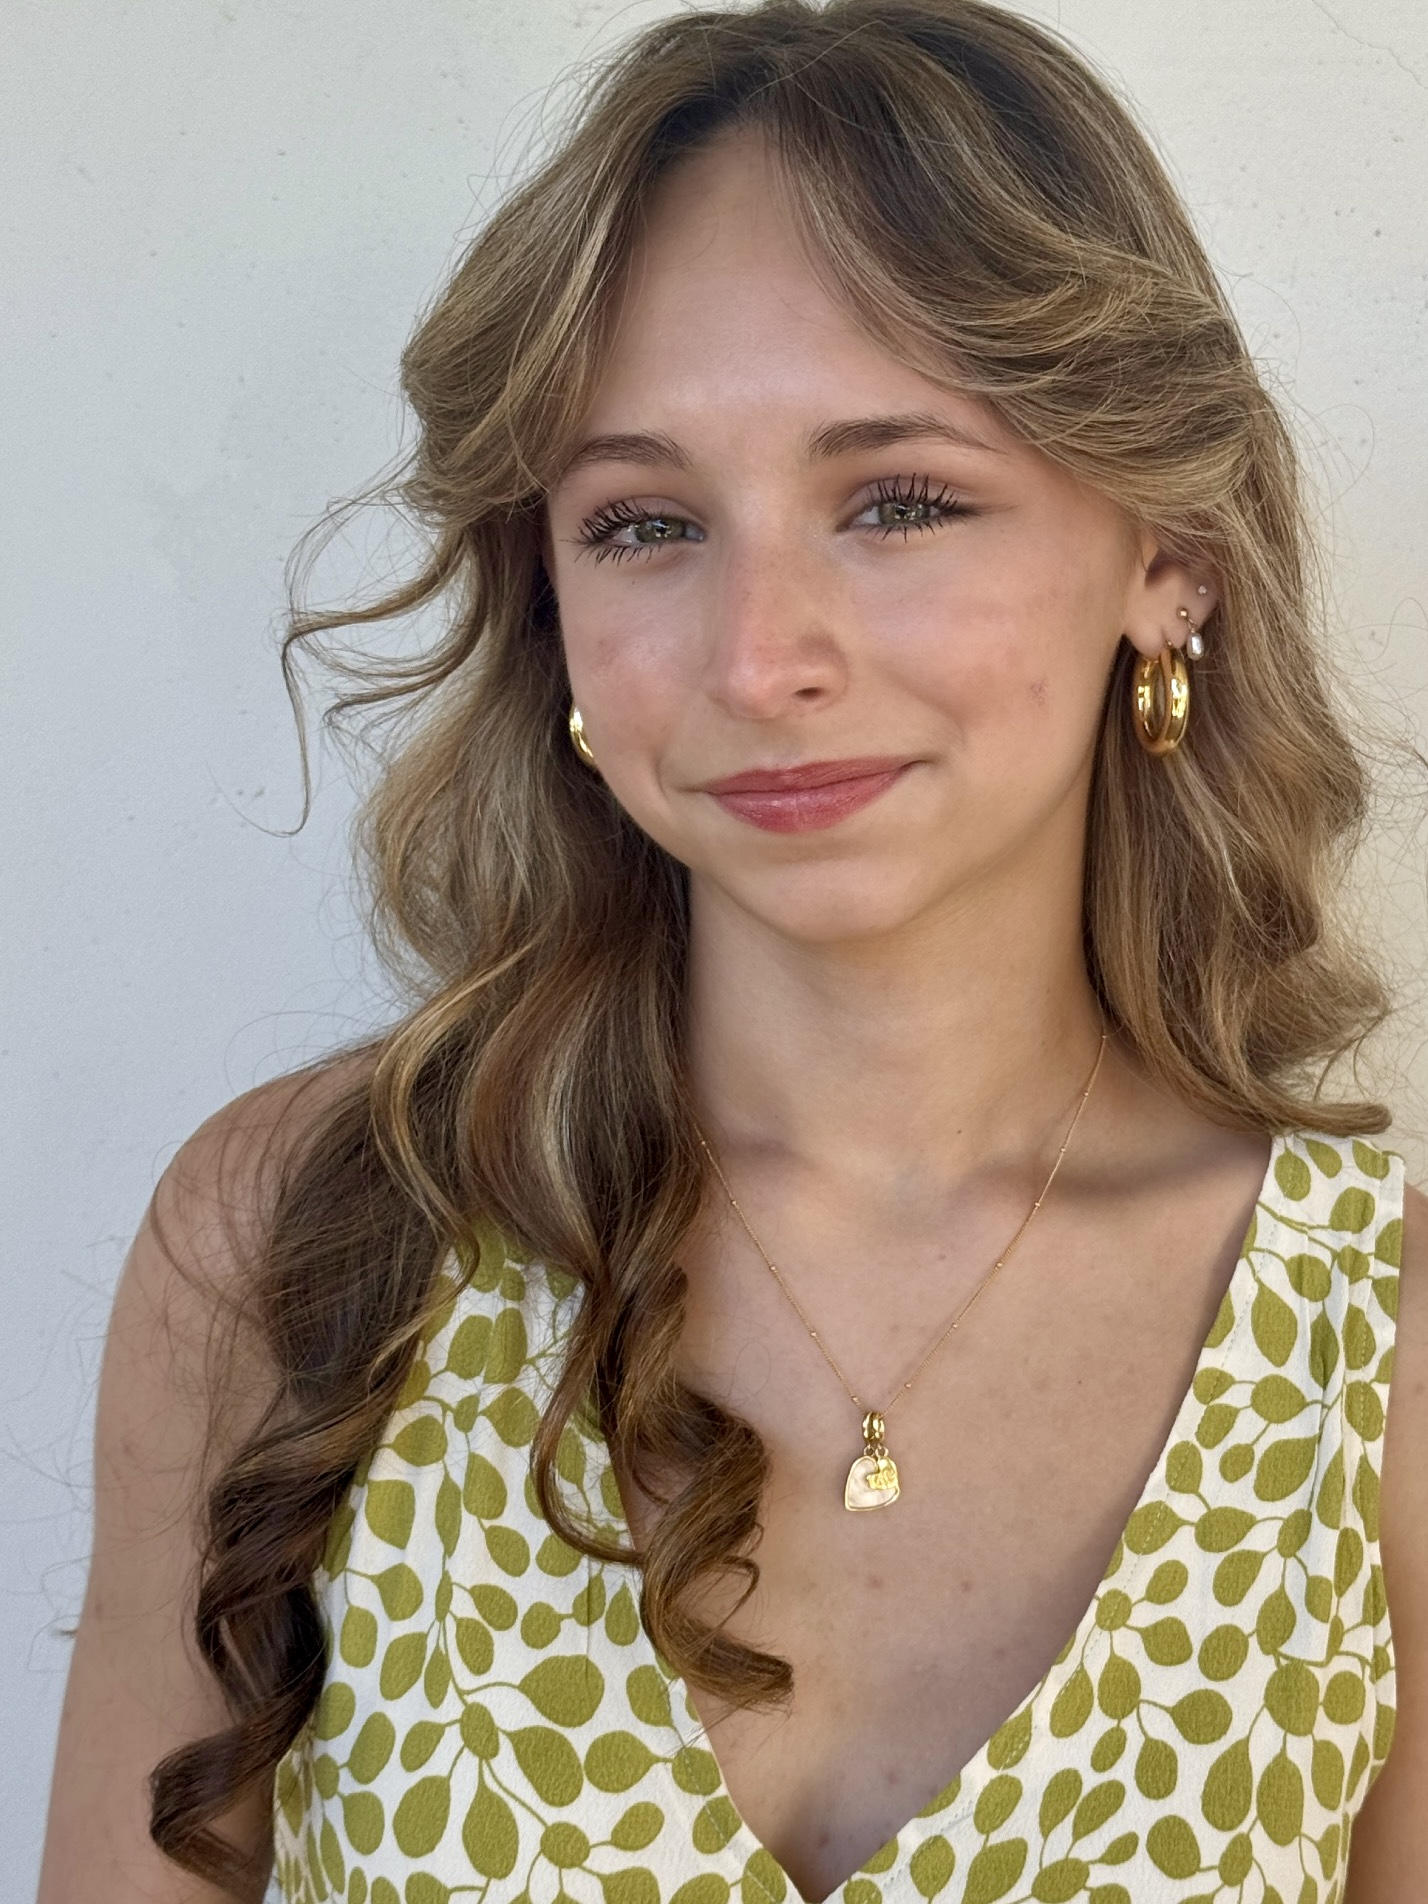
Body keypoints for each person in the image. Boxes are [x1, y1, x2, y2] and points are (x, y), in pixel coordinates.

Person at [37, 1, 1428, 1899]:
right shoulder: (306, 1247)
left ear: (1168, 556)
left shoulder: (1380, 1357)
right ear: (548, 594)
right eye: (646, 523)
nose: (762, 656)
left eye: (901, 501)